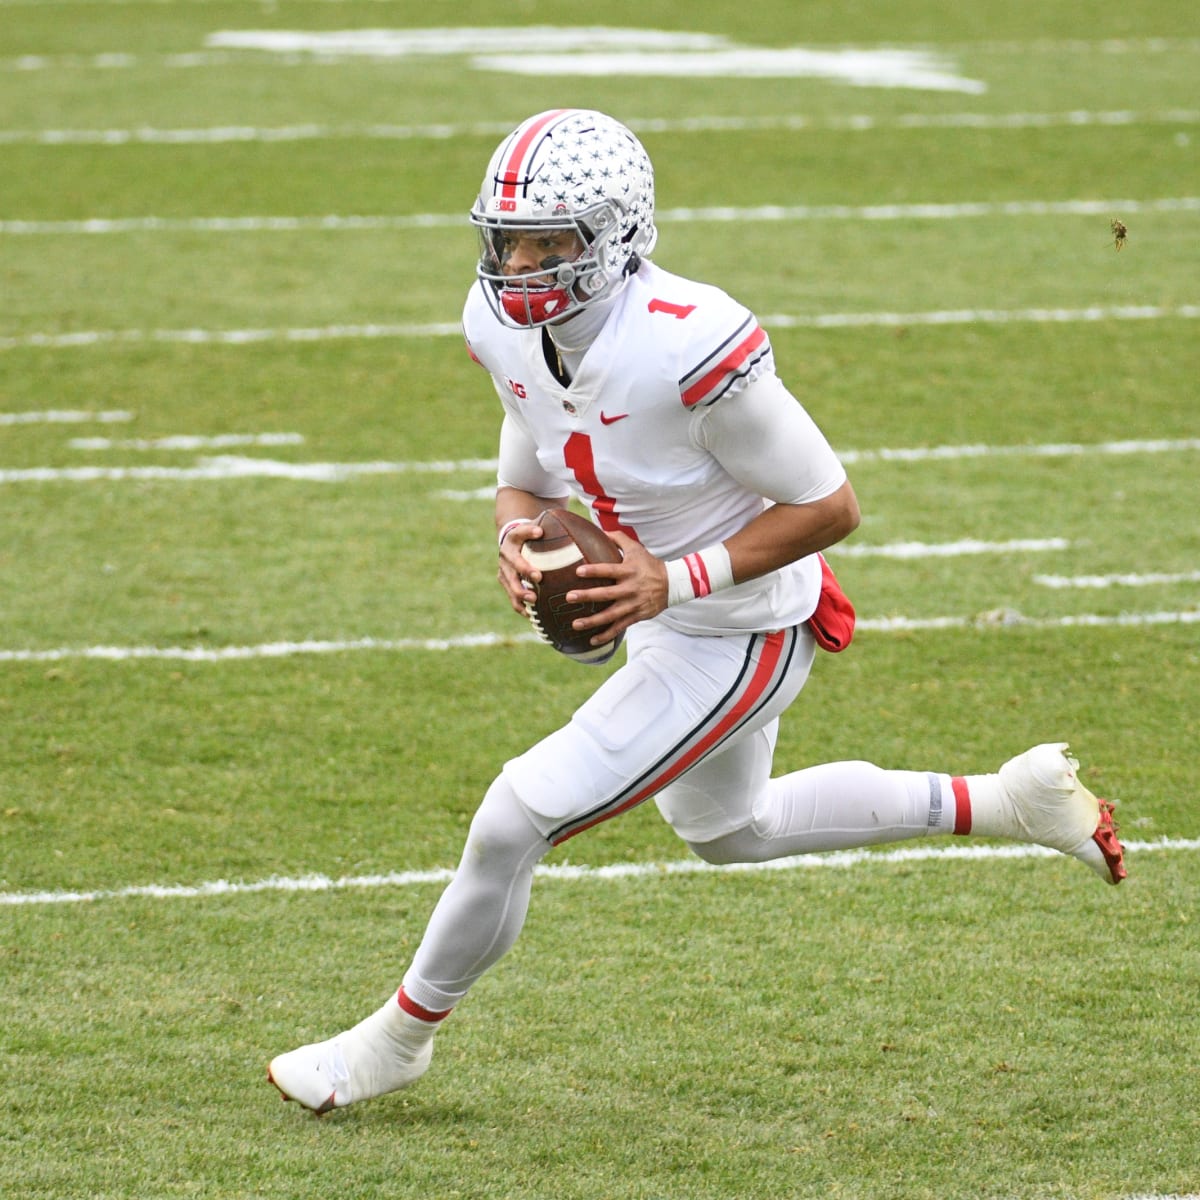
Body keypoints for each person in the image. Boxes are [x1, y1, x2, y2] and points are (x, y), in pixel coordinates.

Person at [267, 109, 1126, 1115]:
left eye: (552, 240)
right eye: (509, 239)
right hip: (669, 614)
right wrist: (512, 531)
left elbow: (831, 505)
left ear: (617, 236)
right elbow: (527, 455)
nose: (521, 264)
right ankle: (1010, 800)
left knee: (513, 817)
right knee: (731, 831)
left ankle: (398, 1038)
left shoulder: (688, 342)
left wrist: (671, 583)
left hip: (744, 626)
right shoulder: (500, 321)